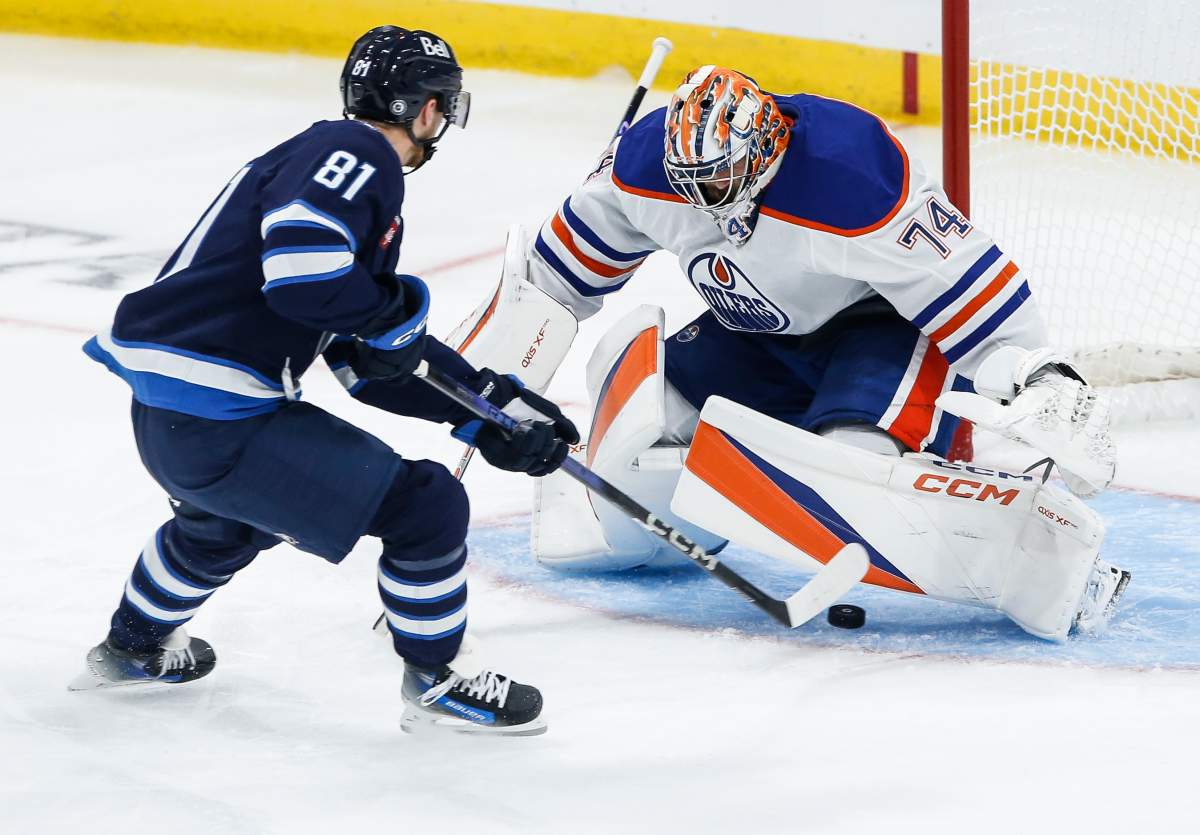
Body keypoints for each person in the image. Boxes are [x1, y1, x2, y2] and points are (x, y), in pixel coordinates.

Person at [452, 65, 1127, 640]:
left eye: (719, 180)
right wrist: (495, 375)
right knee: (638, 461)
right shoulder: (647, 167)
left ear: (765, 147)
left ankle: (1025, 542)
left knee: (849, 474)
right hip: (755, 332)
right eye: (691, 181)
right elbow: (554, 277)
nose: (702, 200)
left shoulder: (850, 174)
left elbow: (974, 290)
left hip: (882, 332)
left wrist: (1038, 377)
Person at [70, 25, 578, 737]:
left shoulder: (319, 160)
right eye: (443, 105)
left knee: (223, 527)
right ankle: (438, 685)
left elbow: (363, 360)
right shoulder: (359, 154)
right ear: (425, 110)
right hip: (223, 416)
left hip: (170, 415)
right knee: (425, 508)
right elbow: (306, 281)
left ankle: (134, 649)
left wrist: (484, 409)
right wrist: (393, 318)